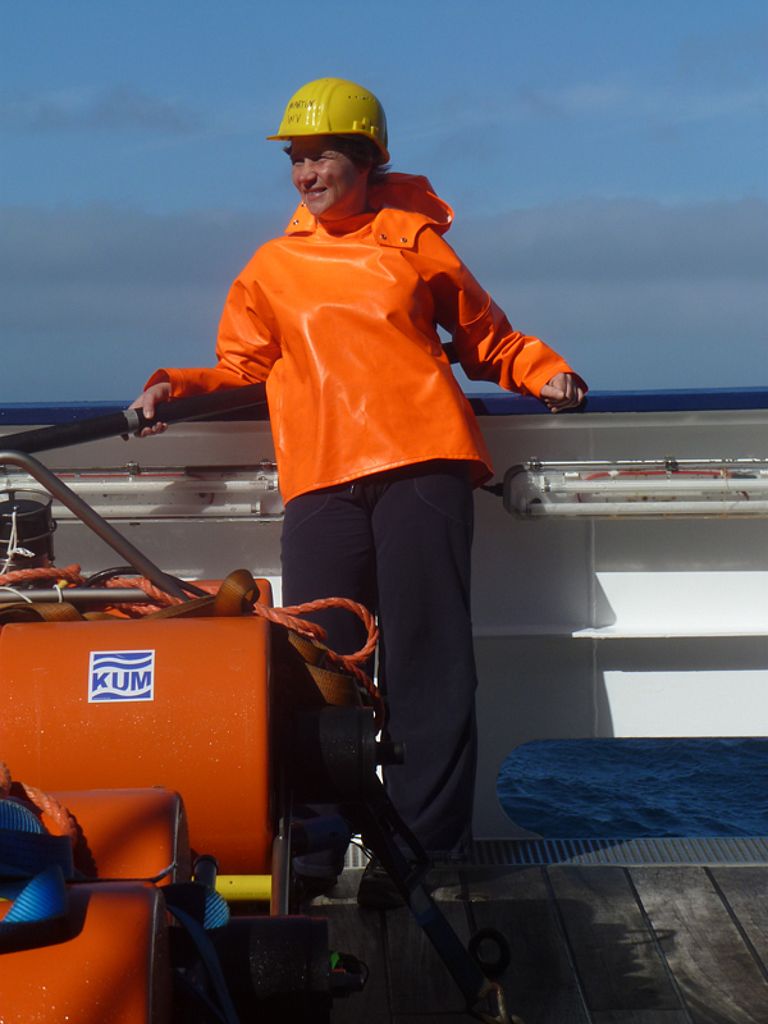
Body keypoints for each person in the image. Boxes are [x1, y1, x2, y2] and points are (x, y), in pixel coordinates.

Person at [132, 77, 587, 908]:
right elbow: (242, 370)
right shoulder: (270, 267)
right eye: (297, 159)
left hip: (423, 465)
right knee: (316, 666)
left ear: (368, 160)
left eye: (324, 156)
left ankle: (421, 851)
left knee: (429, 663)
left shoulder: (415, 241)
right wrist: (174, 390)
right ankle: (310, 853)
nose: (307, 173)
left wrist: (548, 373)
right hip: (321, 479)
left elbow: (488, 340)